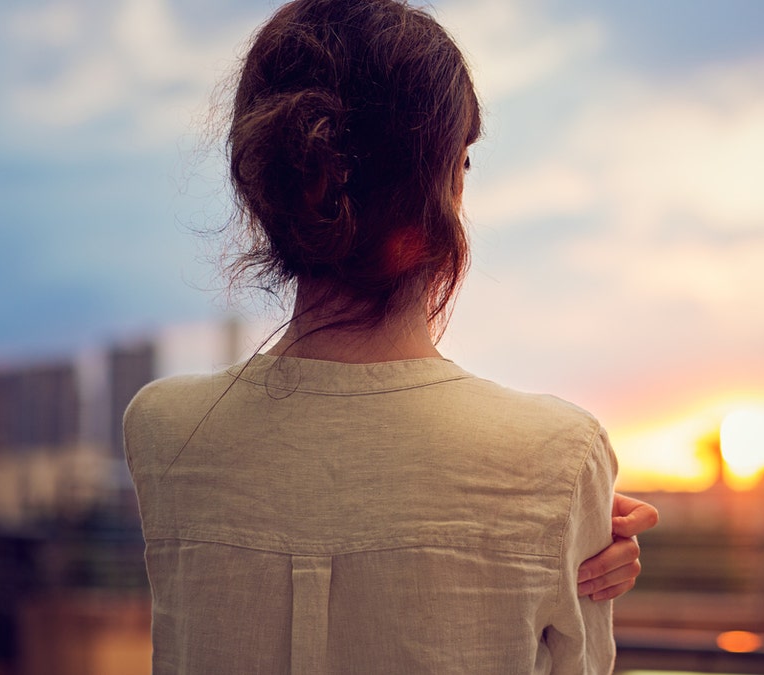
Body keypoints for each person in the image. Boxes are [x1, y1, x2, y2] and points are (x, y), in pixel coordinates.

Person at [122, 0, 657, 672]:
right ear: (445, 184)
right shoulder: (563, 452)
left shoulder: (163, 430)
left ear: (272, 183)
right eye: (462, 160)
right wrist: (561, 509)